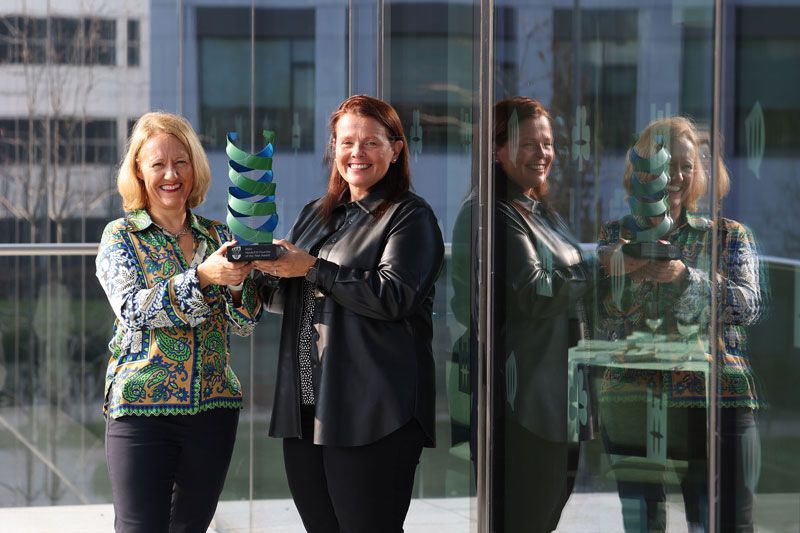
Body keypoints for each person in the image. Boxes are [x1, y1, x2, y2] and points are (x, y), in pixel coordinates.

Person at [253, 94, 444, 533]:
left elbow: (394, 296)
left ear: (396, 150)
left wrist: (312, 267)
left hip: (373, 414)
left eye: (371, 142)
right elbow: (292, 297)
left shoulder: (409, 217)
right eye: (346, 142)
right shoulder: (315, 216)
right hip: (307, 411)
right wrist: (259, 272)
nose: (357, 152)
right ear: (333, 149)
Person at [596, 116, 764, 532]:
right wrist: (626, 267)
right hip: (635, 401)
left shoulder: (728, 236)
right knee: (643, 525)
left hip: (717, 400)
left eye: (686, 165)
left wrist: (687, 278)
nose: (674, 176)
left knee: (724, 523)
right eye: (663, 164)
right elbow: (602, 318)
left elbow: (748, 306)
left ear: (700, 172)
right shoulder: (616, 237)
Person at [95, 111, 261, 533]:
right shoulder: (120, 236)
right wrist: (204, 277)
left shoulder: (220, 235)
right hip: (140, 411)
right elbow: (133, 308)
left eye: (181, 162)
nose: (171, 174)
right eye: (158, 164)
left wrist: (240, 287)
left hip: (213, 409)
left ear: (195, 168)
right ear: (138, 171)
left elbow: (244, 322)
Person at [455, 96, 591, 532]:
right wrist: (606, 268)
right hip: (522, 404)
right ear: (497, 150)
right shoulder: (492, 212)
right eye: (529, 144)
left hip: (557, 399)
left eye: (548, 143)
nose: (543, 153)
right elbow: (532, 295)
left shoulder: (536, 210)